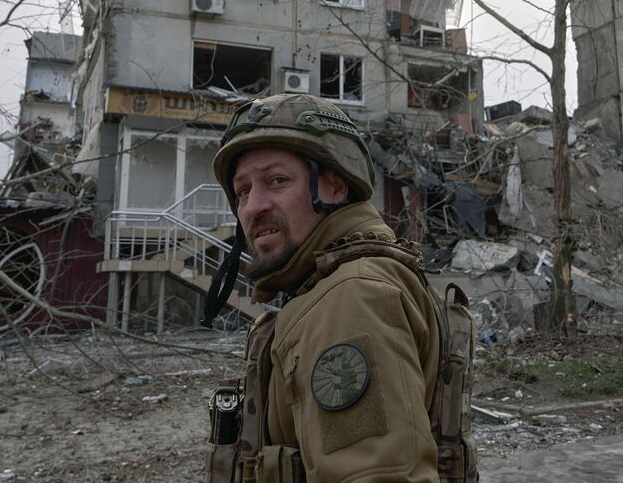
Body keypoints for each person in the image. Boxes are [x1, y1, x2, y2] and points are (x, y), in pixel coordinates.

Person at [204, 94, 476, 482]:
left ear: (333, 187)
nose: (252, 207)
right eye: (243, 191)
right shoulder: (334, 286)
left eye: (277, 181)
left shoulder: (349, 297)